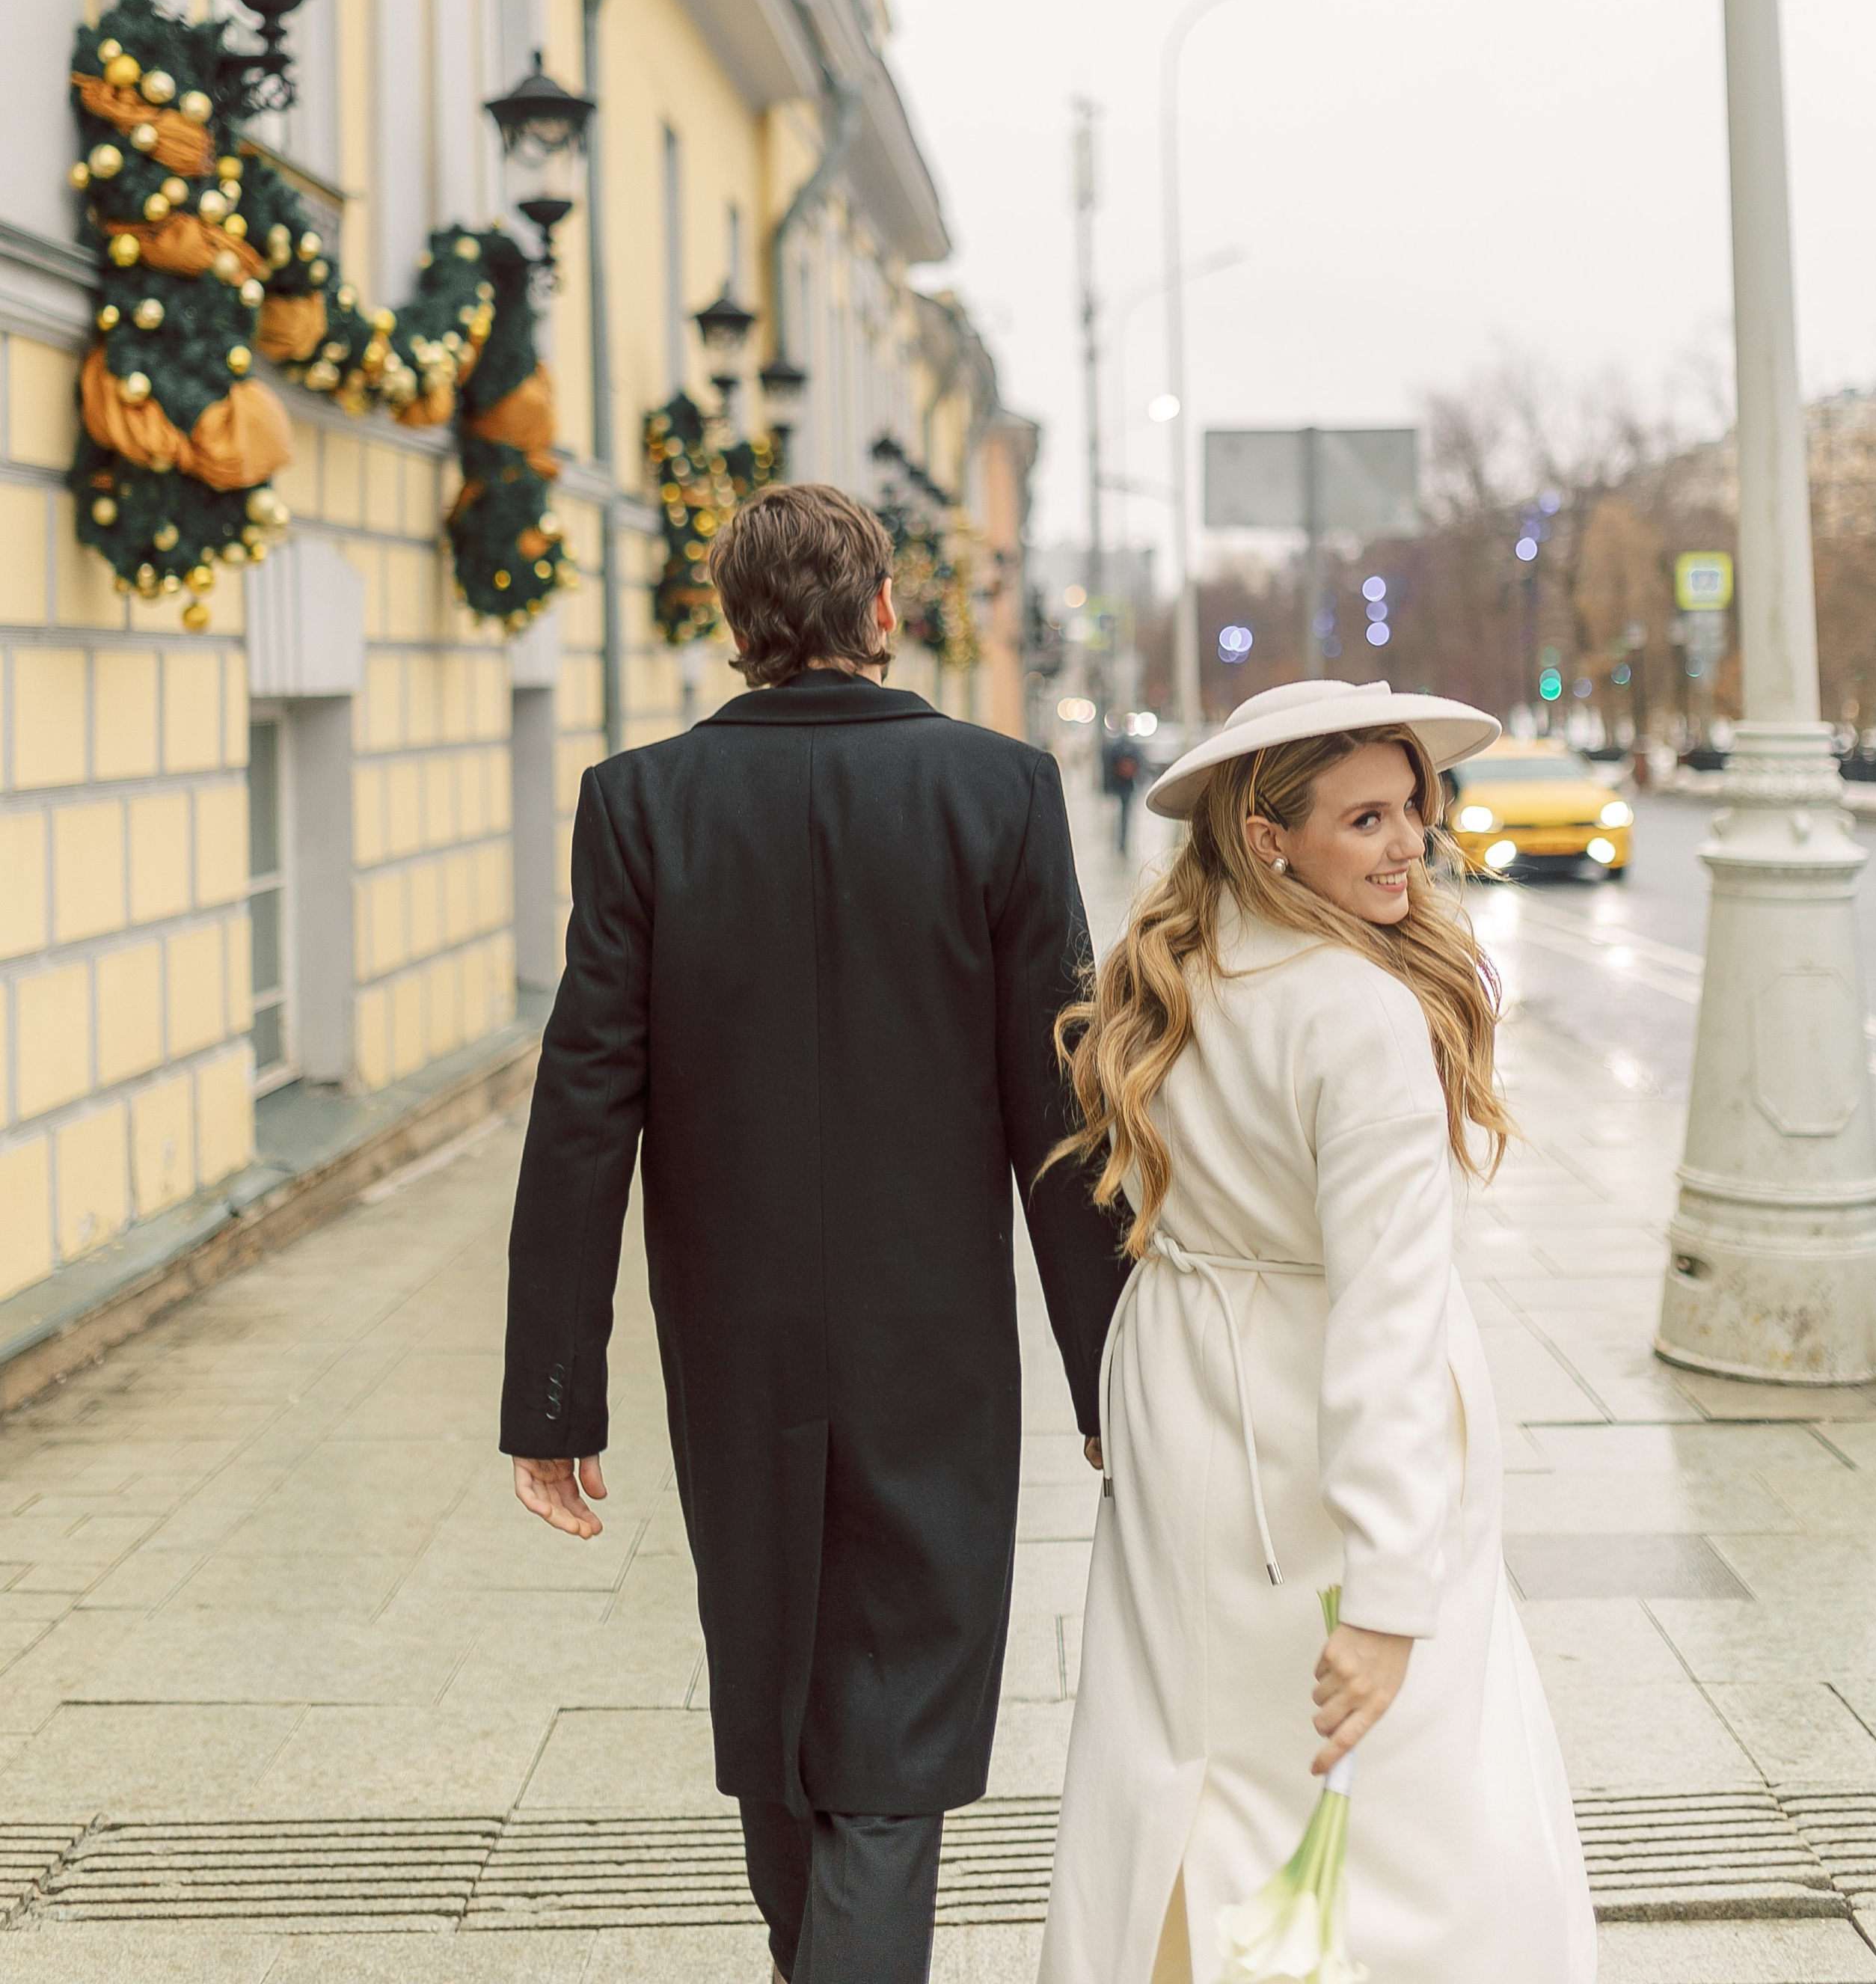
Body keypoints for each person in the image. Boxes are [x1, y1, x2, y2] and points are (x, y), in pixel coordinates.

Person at [499, 482, 1129, 1984]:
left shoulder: (639, 800)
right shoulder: (1000, 789)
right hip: (933, 1347)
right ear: (882, 612)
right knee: (893, 1719)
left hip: (736, 1347)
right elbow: (1060, 1110)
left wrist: (551, 1397)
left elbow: (585, 1104)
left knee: (778, 1687)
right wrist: (1112, 1369)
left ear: (731, 627)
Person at [1038, 678, 1595, 1984]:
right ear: (1268, 835)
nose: (1411, 843)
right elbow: (1389, 1321)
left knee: (1190, 1755)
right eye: (1368, 818)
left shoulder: (1174, 970)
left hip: (1187, 1411)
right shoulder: (1359, 1015)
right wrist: (1393, 1590)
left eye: (1414, 808)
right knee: (1421, 1811)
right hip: (1318, 1441)